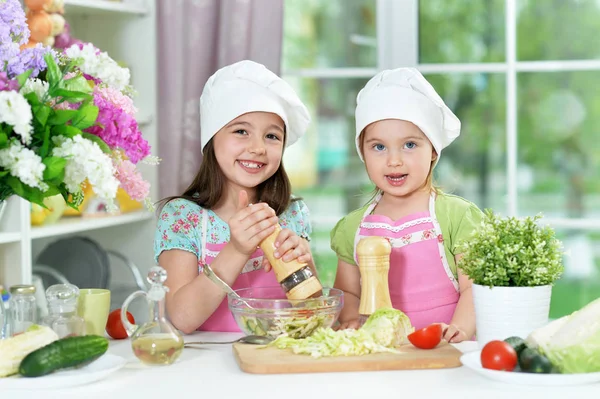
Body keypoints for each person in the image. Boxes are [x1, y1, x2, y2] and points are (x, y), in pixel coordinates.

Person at [154, 60, 315, 334]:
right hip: (207, 368)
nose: (258, 148)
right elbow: (181, 318)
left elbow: (311, 313)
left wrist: (306, 264)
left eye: (272, 136)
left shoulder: (292, 213)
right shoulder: (182, 217)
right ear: (212, 139)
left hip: (276, 360)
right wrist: (237, 250)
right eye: (241, 131)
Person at [330, 68, 483, 343]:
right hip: (380, 352)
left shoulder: (457, 217)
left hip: (445, 352)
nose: (394, 161)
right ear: (362, 152)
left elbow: (474, 288)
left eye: (410, 145)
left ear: (434, 149)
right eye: (378, 147)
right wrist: (351, 320)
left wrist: (459, 329)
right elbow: (347, 292)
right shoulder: (352, 228)